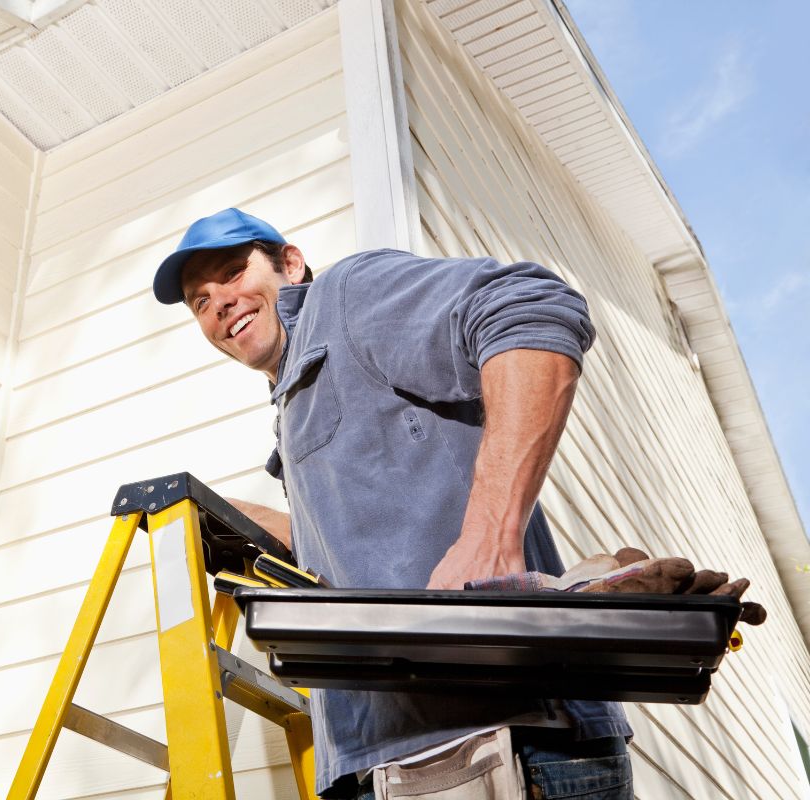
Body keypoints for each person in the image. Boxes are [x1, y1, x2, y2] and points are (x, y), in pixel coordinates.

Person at [152, 208, 634, 799]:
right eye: (200, 301)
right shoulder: (296, 397)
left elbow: (529, 307)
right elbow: (357, 548)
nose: (219, 301)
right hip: (384, 760)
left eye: (231, 272)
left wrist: (490, 535)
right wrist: (241, 517)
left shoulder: (345, 299)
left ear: (292, 264)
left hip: (501, 738)